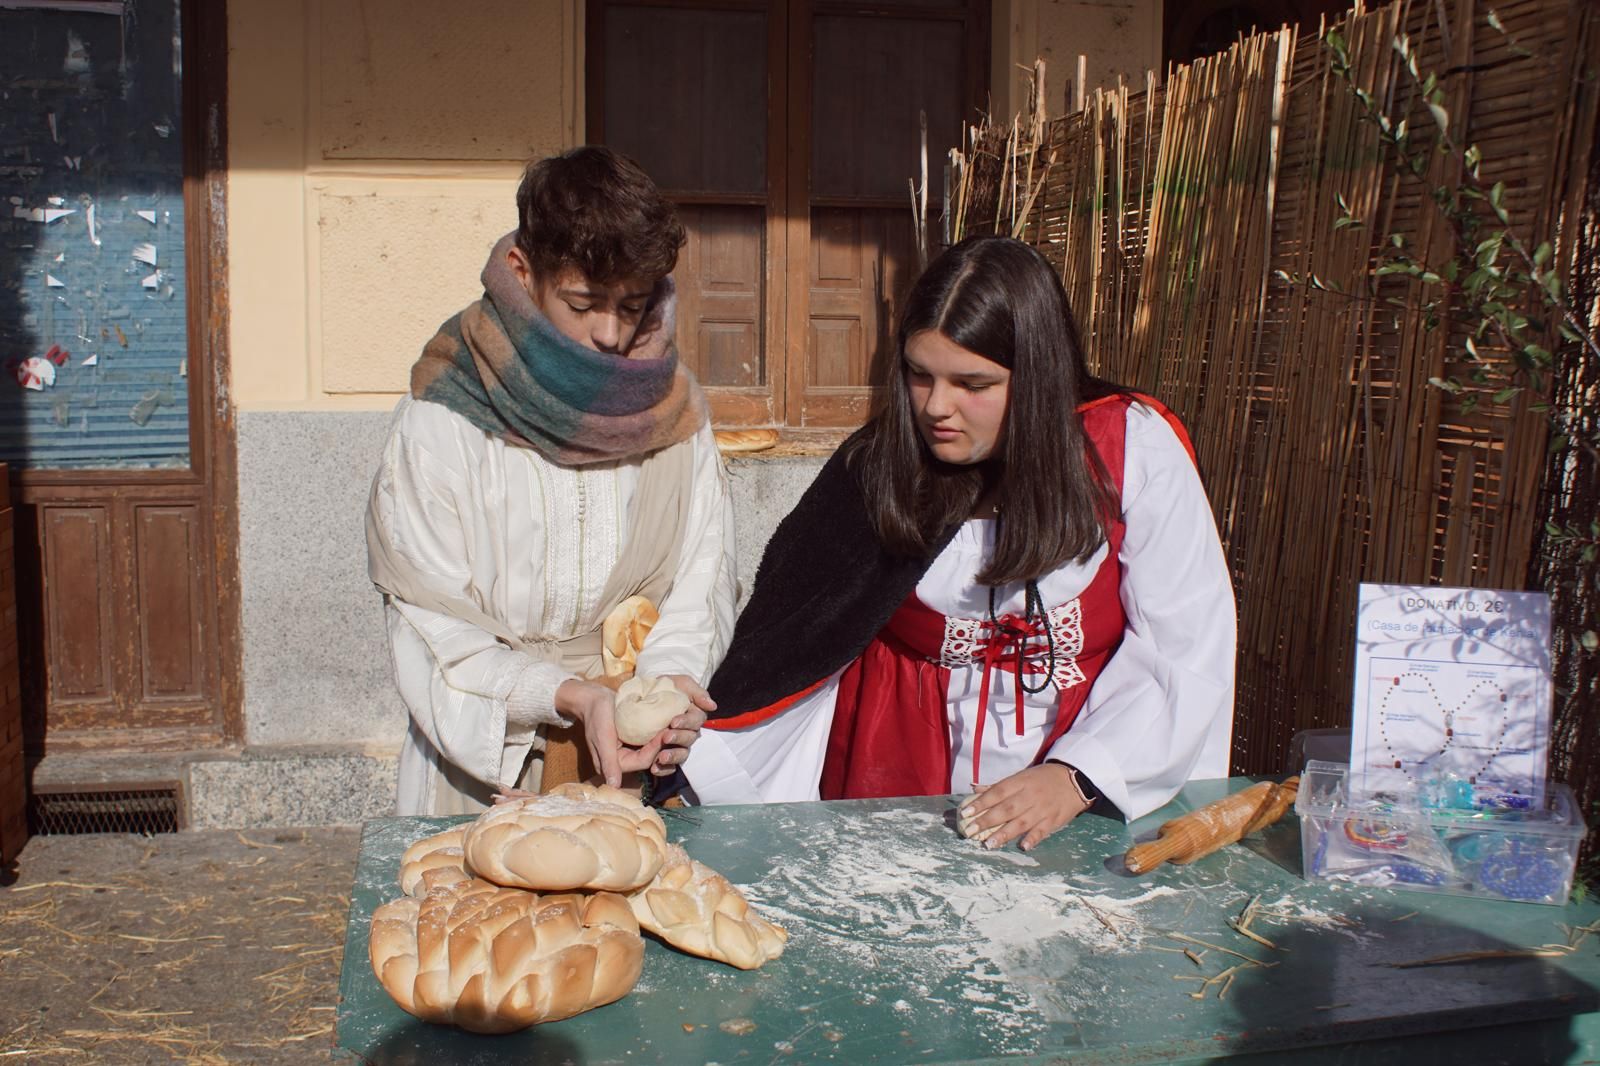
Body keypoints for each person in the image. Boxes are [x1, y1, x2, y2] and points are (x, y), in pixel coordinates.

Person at [681, 235, 1234, 850]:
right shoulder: (877, 467)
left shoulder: (1131, 449)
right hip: (892, 776)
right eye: (920, 375)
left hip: (1085, 777)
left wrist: (1080, 776)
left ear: (1039, 375)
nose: (937, 408)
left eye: (973, 383)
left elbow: (1185, 643)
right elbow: (792, 641)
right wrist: (700, 752)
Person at [366, 146, 736, 816]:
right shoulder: (443, 416)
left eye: (632, 305)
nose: (610, 334)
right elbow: (430, 619)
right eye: (583, 302)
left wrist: (662, 694)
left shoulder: (677, 416)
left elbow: (699, 580)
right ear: (522, 271)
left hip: (630, 770)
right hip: (484, 777)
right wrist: (562, 694)